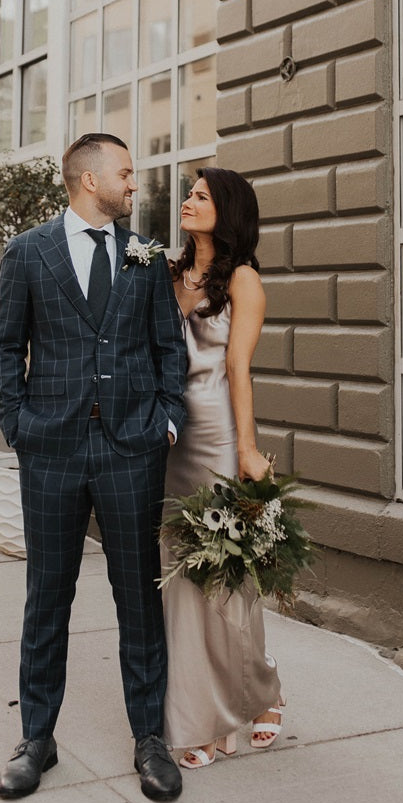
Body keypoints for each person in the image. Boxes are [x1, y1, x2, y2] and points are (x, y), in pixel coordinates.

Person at [0, 133, 188, 802]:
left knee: (138, 598)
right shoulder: (28, 252)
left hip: (132, 448)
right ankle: (36, 740)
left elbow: (170, 347)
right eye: (125, 172)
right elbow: (4, 344)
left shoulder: (147, 255)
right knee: (48, 597)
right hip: (52, 449)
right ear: (87, 178)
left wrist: (167, 419)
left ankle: (150, 739)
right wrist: (19, 428)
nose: (134, 182)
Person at [162, 166, 285, 768]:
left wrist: (247, 448)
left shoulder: (243, 280)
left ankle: (256, 696)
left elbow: (239, 368)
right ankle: (200, 710)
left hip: (213, 433)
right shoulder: (165, 273)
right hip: (165, 436)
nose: (187, 201)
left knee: (223, 578)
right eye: (188, 193)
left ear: (228, 209)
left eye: (201, 196)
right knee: (179, 579)